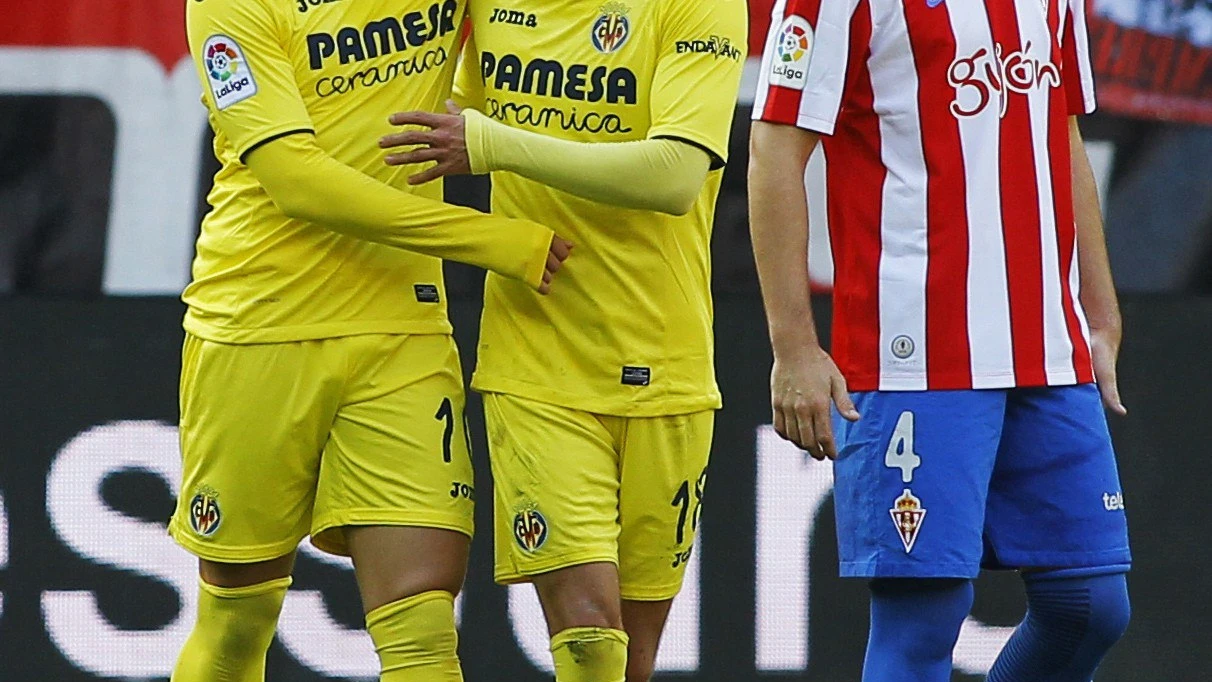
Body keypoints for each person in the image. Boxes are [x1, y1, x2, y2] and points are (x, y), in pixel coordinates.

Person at [168, 0, 571, 680]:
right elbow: (296, 180)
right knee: (237, 620)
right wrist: (493, 240)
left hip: (403, 326)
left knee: (423, 629)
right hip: (260, 320)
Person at [748, 0, 1132, 680]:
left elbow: (1058, 123)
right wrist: (794, 347)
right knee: (924, 618)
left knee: (1090, 605)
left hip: (1046, 346)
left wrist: (1098, 307)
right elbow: (776, 145)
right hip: (914, 355)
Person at [378, 1, 746, 679]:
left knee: (633, 659)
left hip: (667, 362)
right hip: (536, 358)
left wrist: (491, 144)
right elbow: (444, 114)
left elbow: (673, 177)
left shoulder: (700, 7)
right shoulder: (490, 8)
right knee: (589, 634)